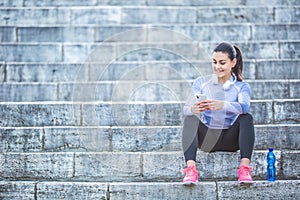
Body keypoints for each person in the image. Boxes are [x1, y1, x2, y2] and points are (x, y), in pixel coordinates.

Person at [181, 42, 255, 185]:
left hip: (231, 138)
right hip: (207, 138)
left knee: (247, 118)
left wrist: (223, 105)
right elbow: (186, 109)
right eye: (214, 62)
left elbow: (245, 107)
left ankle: (244, 168)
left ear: (233, 62)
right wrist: (193, 109)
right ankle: (191, 170)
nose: (217, 67)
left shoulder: (241, 86)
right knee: (190, 119)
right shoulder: (201, 83)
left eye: (222, 63)